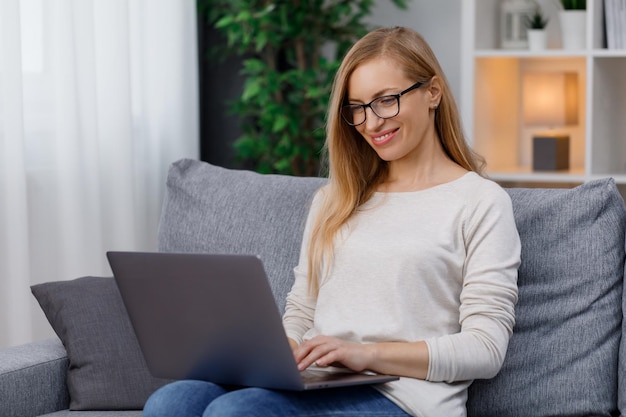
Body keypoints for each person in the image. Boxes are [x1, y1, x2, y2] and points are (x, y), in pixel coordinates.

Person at [142, 26, 521, 417]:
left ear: (433, 92)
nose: (371, 123)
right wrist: (284, 348)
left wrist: (364, 354)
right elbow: (302, 308)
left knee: (237, 412)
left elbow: (484, 348)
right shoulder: (334, 200)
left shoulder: (480, 201)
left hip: (405, 397)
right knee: (172, 401)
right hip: (318, 379)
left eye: (385, 100)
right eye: (356, 108)